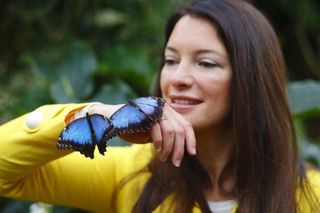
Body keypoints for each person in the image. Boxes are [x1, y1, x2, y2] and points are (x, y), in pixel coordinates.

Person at [0, 0, 319, 212]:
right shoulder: (132, 174)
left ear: (252, 79)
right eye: (170, 60)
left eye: (206, 63)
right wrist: (107, 116)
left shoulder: (309, 194)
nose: (177, 78)